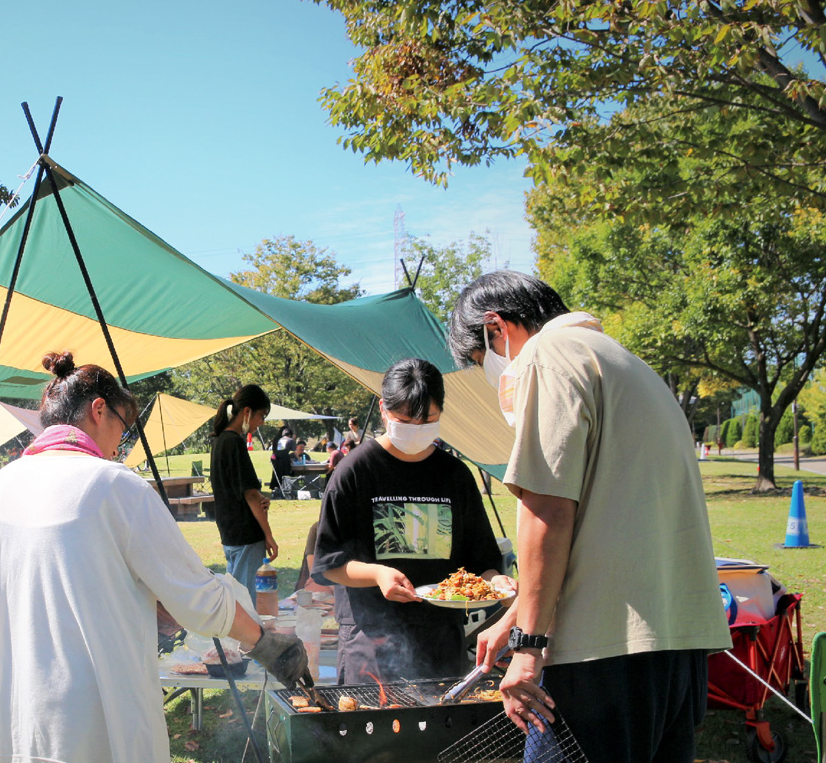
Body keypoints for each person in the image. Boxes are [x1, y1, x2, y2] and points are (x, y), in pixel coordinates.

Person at [0, 353, 307, 763]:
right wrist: (265, 643)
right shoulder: (117, 486)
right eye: (123, 427)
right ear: (99, 410)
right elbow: (201, 600)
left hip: (17, 729)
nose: (121, 443)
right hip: (101, 729)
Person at [448, 270, 729, 761]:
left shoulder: (545, 356)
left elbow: (549, 509)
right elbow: (606, 520)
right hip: (674, 648)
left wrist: (528, 644)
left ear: (496, 328)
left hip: (602, 652)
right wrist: (512, 617)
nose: (489, 372)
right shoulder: (627, 364)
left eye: (480, 360)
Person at [311, 358, 510, 682]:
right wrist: (378, 574)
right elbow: (330, 564)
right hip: (371, 644)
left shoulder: (455, 475)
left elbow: (482, 562)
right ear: (384, 409)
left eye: (427, 420)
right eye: (405, 420)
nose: (416, 430)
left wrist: (496, 581)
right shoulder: (355, 472)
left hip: (441, 641)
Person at [210, 384, 279, 602]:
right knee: (244, 600)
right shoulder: (234, 443)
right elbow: (249, 494)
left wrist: (260, 498)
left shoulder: (220, 441)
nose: (262, 422)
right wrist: (268, 534)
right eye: (261, 415)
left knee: (236, 592)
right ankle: (246, 637)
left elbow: (236, 488)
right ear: (247, 412)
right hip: (245, 533)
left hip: (229, 531)